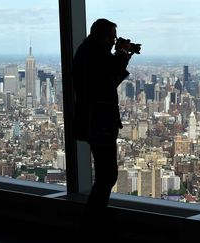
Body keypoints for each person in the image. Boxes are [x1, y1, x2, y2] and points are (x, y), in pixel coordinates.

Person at [72, 18, 136, 232]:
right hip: (98, 121)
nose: (113, 41)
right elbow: (109, 69)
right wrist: (122, 52)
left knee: (105, 173)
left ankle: (94, 218)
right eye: (111, 37)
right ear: (102, 35)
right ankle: (92, 220)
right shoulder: (93, 53)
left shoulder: (88, 51)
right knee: (107, 174)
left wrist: (123, 55)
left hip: (97, 119)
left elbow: (109, 78)